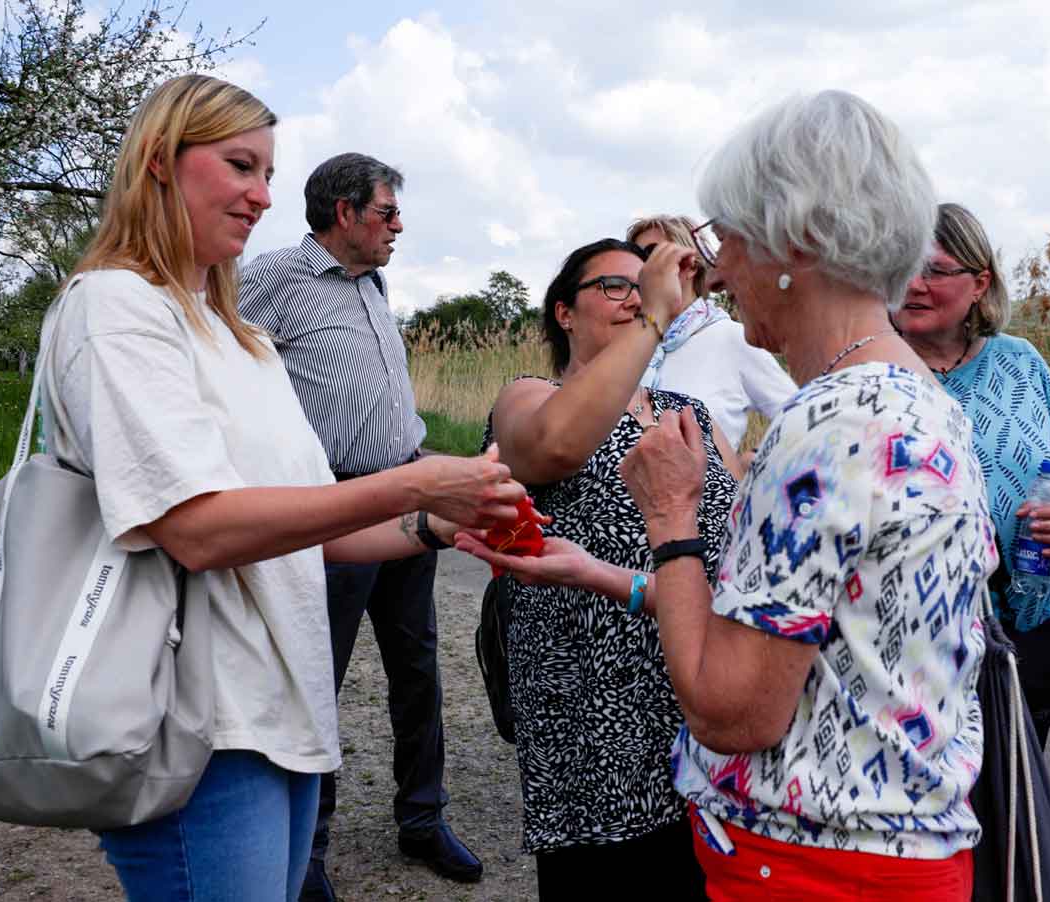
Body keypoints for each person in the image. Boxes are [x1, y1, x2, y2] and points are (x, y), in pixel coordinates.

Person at [459, 91, 992, 901]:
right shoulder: (915, 395)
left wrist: (671, 523)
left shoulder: (826, 423)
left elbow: (732, 711)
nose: (718, 270)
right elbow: (818, 632)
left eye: (725, 236)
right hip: (898, 851)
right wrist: (607, 574)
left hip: (812, 869)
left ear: (798, 240)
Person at [42, 75, 525, 902]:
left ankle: (418, 816)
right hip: (202, 722)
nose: (263, 195)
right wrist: (413, 480)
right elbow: (197, 529)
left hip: (280, 715)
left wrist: (440, 523)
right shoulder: (118, 308)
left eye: (268, 172)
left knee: (416, 677)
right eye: (239, 165)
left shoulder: (238, 334)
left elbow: (312, 537)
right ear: (158, 161)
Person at [237, 153, 481, 901]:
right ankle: (306, 855)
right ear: (343, 213)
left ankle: (421, 818)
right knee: (319, 675)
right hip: (332, 505)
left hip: (404, 495)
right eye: (386, 212)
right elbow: (222, 377)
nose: (397, 226)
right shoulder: (269, 279)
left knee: (417, 668)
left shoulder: (375, 280)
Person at [482, 237, 739, 900]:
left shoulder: (692, 414)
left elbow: (740, 551)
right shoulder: (528, 398)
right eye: (616, 287)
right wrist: (654, 315)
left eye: (645, 284)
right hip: (590, 706)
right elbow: (558, 447)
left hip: (689, 688)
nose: (635, 297)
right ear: (564, 312)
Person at [894, 201, 1050, 747]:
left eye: (933, 271)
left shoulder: (1021, 362)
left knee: (1017, 804)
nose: (913, 285)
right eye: (902, 267)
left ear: (979, 282)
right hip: (920, 661)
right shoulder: (873, 371)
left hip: (1027, 637)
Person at [626, 215, 796, 448]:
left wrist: (751, 467)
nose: (642, 268)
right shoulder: (630, 345)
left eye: (653, 254)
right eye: (634, 257)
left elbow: (796, 418)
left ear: (690, 266)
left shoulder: (733, 338)